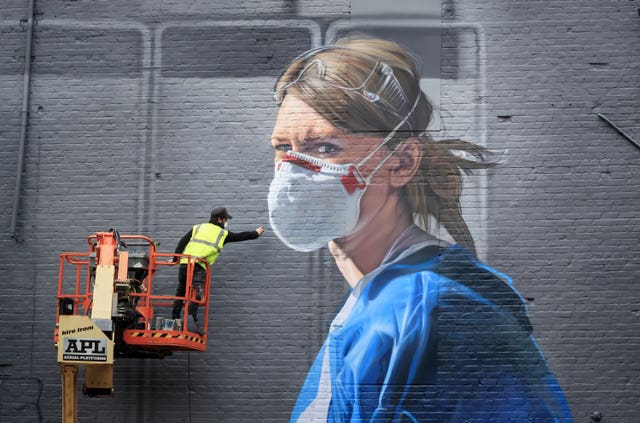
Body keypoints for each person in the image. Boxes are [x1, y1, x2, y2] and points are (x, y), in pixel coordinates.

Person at [268, 37, 573, 422]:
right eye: (283, 148)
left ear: (402, 162)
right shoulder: (383, 296)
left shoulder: (430, 308)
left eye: (326, 148)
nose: (294, 171)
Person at [172, 206, 264, 333]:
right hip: (199, 266)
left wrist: (174, 259)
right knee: (196, 294)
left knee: (181, 292)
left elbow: (181, 244)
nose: (226, 222)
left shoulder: (197, 227)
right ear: (220, 220)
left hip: (184, 264)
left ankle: (174, 319)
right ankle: (191, 323)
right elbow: (240, 236)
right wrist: (256, 233)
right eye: (226, 219)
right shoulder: (222, 234)